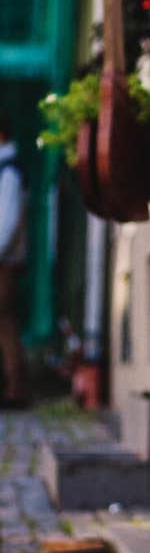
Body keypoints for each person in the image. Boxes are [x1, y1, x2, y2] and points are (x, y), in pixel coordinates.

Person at [0, 117, 27, 408]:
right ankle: (13, 387)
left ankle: (15, 389)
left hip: (3, 263)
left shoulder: (8, 171)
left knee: (5, 326)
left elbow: (6, 224)